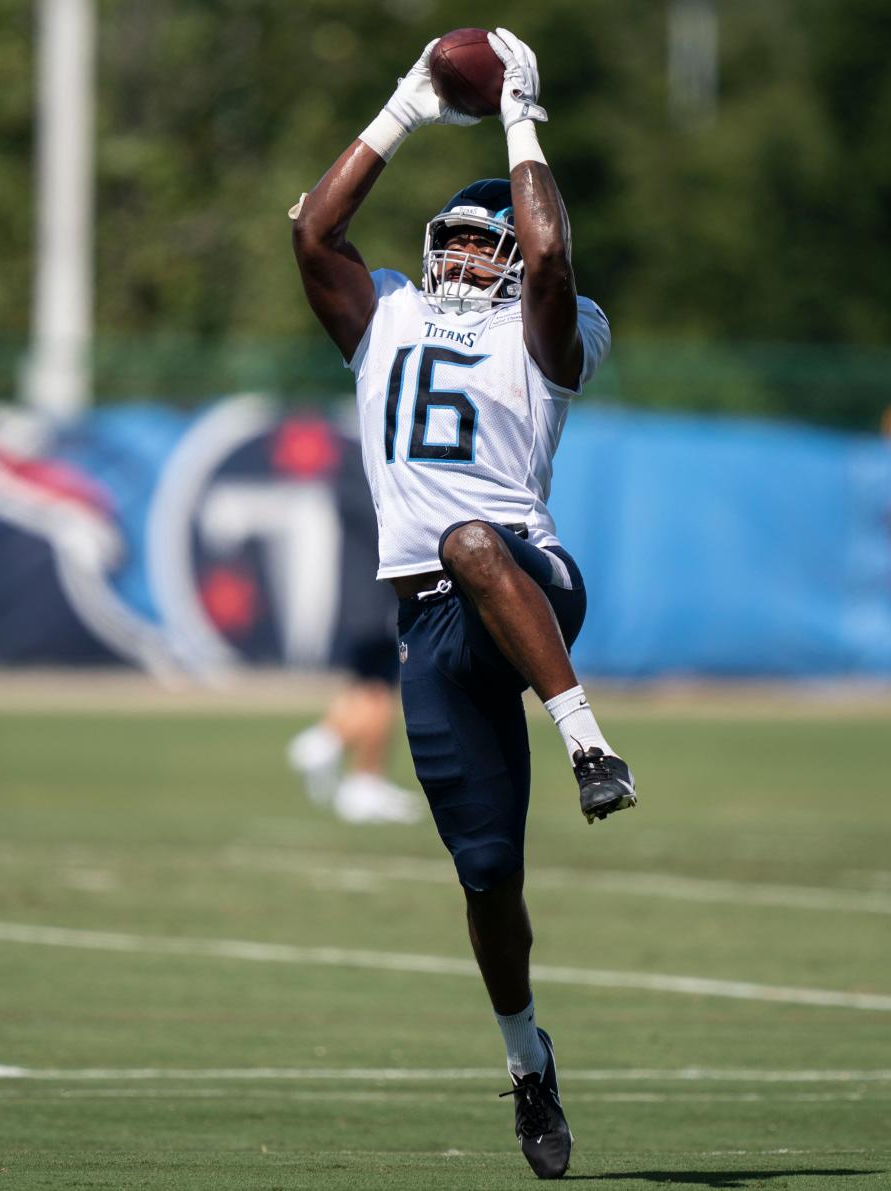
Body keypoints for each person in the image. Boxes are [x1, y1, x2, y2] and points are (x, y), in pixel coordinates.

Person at [291, 27, 636, 1180]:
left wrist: (520, 115)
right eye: (455, 241)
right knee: (489, 880)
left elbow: (547, 265)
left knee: (472, 535)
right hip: (430, 633)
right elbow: (311, 230)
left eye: (483, 241)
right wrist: (407, 104)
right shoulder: (381, 317)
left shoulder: (546, 329)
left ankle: (588, 741)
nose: (464, 258)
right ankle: (528, 1059)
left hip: (531, 582)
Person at [286, 623, 423, 825]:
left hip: (373, 610)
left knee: (367, 682)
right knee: (379, 689)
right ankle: (364, 783)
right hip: (387, 608)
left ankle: (325, 742)